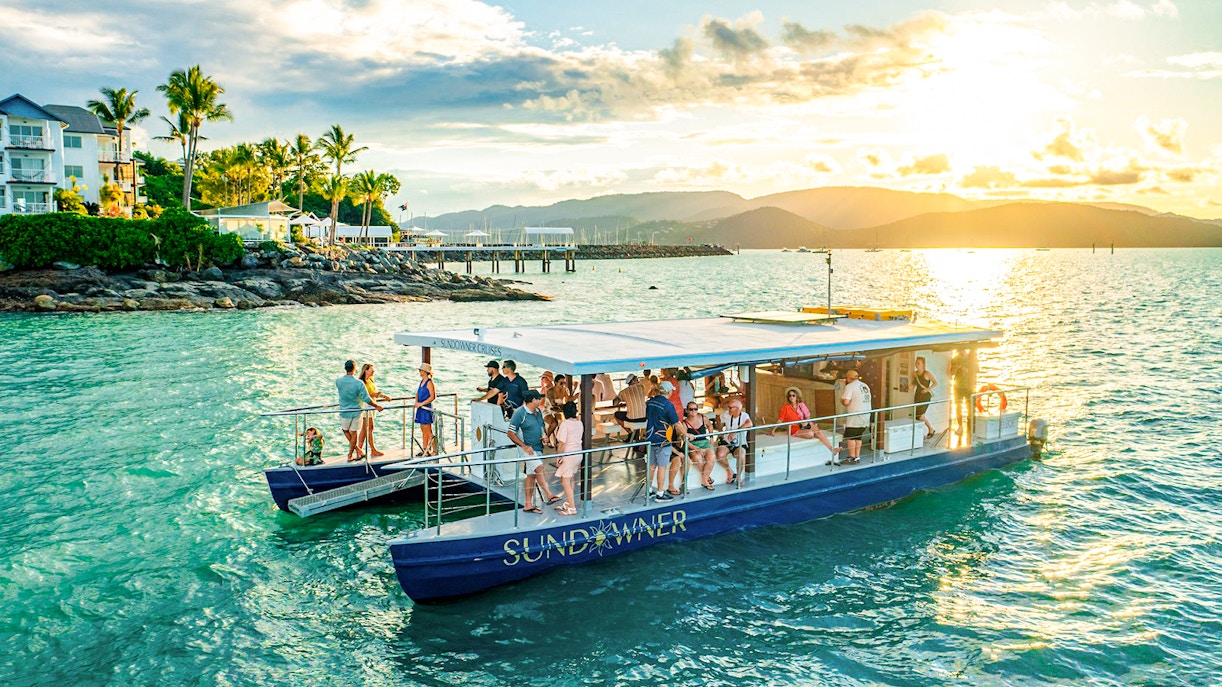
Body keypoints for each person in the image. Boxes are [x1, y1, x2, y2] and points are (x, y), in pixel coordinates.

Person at [507, 390, 560, 513]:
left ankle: (528, 505)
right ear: (533, 400)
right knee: (539, 468)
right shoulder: (519, 413)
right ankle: (549, 495)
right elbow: (510, 433)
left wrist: (544, 437)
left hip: (537, 447)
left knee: (531, 476)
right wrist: (524, 446)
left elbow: (541, 428)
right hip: (527, 449)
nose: (541, 400)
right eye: (539, 398)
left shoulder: (538, 412)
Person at [771, 387, 841, 457]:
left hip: (805, 424)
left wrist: (806, 422)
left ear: (797, 396)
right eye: (790, 396)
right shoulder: (785, 407)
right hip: (795, 428)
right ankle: (810, 431)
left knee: (818, 432)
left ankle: (832, 449)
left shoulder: (801, 405)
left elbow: (807, 415)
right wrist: (773, 430)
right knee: (810, 434)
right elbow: (780, 419)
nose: (791, 397)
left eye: (793, 395)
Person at [336, 360, 382, 462]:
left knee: (345, 430)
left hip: (344, 411)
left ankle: (354, 452)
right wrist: (377, 406)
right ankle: (353, 452)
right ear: (355, 369)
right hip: (357, 411)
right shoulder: (359, 383)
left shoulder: (338, 381)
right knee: (354, 433)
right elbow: (366, 398)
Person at [646, 381, 681, 500]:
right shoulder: (668, 405)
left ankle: (649, 490)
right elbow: (677, 423)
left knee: (651, 466)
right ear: (669, 391)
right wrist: (686, 434)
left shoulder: (650, 402)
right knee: (662, 467)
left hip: (650, 438)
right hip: (663, 440)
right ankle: (660, 493)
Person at [553, 402, 583, 515]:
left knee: (565, 481)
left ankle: (572, 507)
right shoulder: (579, 422)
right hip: (578, 453)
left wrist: (558, 456)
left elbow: (561, 443)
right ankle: (568, 503)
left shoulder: (565, 424)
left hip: (568, 454)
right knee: (570, 479)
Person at [357, 363, 392, 457]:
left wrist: (384, 396)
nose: (373, 371)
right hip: (366, 406)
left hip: (371, 406)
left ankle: (359, 450)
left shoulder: (370, 380)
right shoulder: (361, 382)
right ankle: (372, 450)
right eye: (371, 370)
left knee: (365, 429)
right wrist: (376, 395)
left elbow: (374, 392)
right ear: (366, 370)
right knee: (369, 428)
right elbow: (365, 394)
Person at [716, 399, 753, 484]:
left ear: (737, 409)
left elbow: (749, 424)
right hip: (727, 442)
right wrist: (720, 430)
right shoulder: (726, 414)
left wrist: (735, 432)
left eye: (730, 407)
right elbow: (718, 418)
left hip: (740, 443)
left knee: (741, 455)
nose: (728, 409)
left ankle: (738, 477)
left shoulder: (744, 415)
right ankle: (730, 471)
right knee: (720, 455)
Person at [840, 370, 872, 464]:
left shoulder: (850, 386)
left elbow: (846, 401)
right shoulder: (865, 385)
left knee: (850, 437)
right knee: (858, 437)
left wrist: (841, 400)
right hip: (866, 414)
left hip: (855, 415)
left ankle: (852, 457)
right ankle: (857, 456)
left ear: (848, 378)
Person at [682, 402, 716, 490]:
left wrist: (711, 437)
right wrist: (695, 448)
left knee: (711, 457)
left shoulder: (703, 418)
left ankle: (704, 479)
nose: (693, 411)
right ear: (687, 410)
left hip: (705, 442)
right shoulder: (684, 423)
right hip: (692, 445)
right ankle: (706, 479)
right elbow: (684, 440)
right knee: (697, 458)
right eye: (691, 409)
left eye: (695, 409)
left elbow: (710, 425)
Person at [414, 363, 438, 456]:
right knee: (423, 428)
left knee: (428, 430)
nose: (419, 371)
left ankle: (435, 450)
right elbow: (417, 393)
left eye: (421, 370)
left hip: (426, 408)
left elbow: (433, 396)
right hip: (421, 408)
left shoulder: (429, 382)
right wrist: (416, 401)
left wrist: (421, 403)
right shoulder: (422, 382)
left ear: (425, 371)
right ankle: (425, 449)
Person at [913, 356, 938, 439]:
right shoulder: (915, 374)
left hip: (925, 396)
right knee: (917, 416)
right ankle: (920, 433)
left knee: (920, 416)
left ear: (923, 365)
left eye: (918, 363)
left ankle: (931, 429)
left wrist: (927, 389)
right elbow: (914, 383)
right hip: (918, 395)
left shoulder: (927, 374)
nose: (916, 365)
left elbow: (935, 382)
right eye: (916, 363)